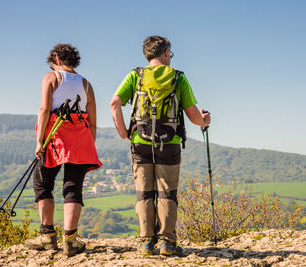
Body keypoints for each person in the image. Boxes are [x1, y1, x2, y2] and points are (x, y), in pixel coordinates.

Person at [110, 36, 211, 256]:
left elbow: (114, 103)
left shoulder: (134, 76)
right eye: (170, 54)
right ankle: (167, 243)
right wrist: (205, 121)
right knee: (167, 192)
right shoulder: (178, 78)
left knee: (144, 193)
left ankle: (146, 242)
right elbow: (193, 114)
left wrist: (123, 133)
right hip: (170, 141)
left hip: (140, 141)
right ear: (165, 52)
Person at [25, 44, 102, 256]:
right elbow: (93, 123)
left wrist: (39, 141)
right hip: (81, 140)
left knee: (42, 184)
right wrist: (88, 145)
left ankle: (47, 236)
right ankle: (70, 240)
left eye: (51, 61)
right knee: (73, 187)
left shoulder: (51, 77)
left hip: (54, 138)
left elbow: (44, 109)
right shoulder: (87, 85)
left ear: (57, 60)